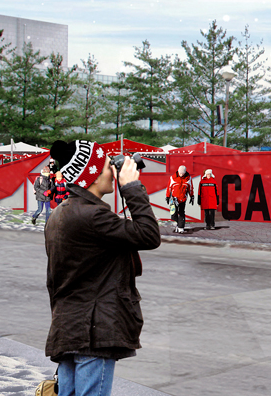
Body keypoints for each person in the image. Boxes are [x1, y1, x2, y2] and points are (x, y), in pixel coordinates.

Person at [45, 140, 161, 396]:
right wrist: (131, 187)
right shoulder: (92, 216)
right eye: (110, 165)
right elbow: (149, 235)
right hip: (92, 333)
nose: (115, 169)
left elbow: (53, 281)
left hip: (70, 328)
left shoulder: (60, 213)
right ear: (93, 176)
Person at [166, 165, 193, 233]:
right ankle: (178, 224)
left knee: (181, 213)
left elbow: (190, 189)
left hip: (183, 199)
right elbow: (169, 188)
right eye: (180, 173)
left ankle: (181, 227)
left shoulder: (188, 178)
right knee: (174, 214)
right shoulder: (172, 178)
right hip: (174, 198)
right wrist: (167, 196)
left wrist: (192, 196)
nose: (181, 174)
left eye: (182, 173)